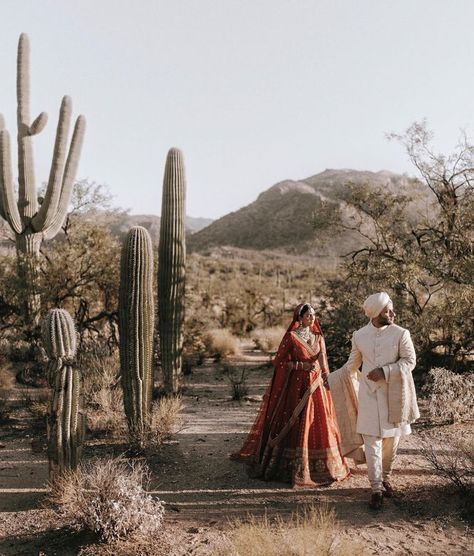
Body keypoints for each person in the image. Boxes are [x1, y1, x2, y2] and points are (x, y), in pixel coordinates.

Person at [231, 303, 349, 488]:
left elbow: (323, 360)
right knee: (294, 419)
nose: (312, 318)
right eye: (308, 315)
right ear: (299, 318)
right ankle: (288, 467)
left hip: (316, 385)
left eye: (313, 315)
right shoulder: (291, 337)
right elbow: (279, 361)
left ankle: (326, 467)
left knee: (318, 421)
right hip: (296, 386)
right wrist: (300, 366)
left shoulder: (318, 337)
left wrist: (327, 380)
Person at [343, 292, 419, 510]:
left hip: (395, 395)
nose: (392, 313)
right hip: (367, 397)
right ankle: (376, 489)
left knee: (391, 442)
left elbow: (410, 361)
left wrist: (385, 371)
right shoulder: (359, 335)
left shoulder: (401, 333)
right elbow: (352, 364)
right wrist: (332, 379)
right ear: (376, 314)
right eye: (387, 310)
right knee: (372, 442)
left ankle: (385, 479)